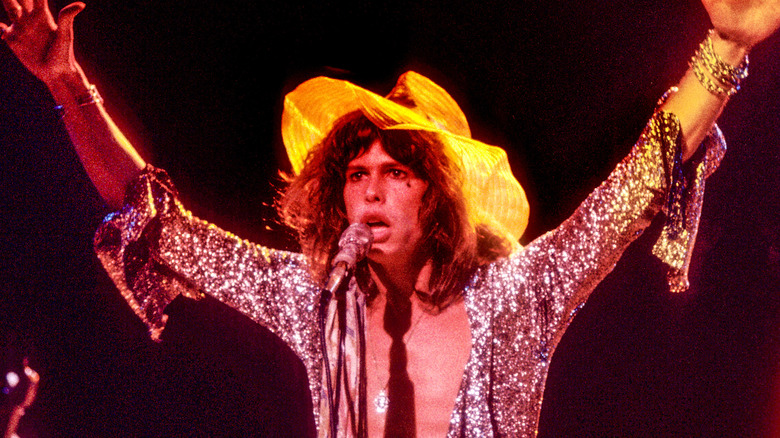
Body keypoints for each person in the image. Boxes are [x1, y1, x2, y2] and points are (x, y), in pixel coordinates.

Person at [2, 0, 779, 436]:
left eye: (394, 173)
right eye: (354, 175)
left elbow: (637, 187)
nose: (369, 189)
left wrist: (723, 47)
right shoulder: (312, 298)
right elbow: (156, 221)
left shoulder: (521, 292)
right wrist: (70, 87)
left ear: (435, 192)